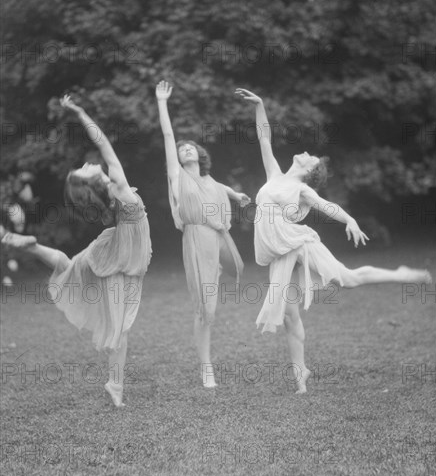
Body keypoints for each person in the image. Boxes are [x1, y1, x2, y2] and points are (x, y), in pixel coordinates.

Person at [236, 88, 432, 394]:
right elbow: (264, 138)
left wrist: (350, 220)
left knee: (347, 279)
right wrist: (260, 104)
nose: (305, 153)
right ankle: (301, 372)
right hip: (278, 252)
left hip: (299, 243)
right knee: (288, 313)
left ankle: (402, 274)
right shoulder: (274, 174)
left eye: (311, 158)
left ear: (310, 171)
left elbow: (329, 208)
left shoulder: (302, 190)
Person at [2, 95, 152, 407]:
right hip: (118, 259)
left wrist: (81, 112)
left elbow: (103, 146)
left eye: (83, 167)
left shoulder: (114, 192)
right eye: (85, 169)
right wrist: (82, 113)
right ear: (95, 182)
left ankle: (32, 245)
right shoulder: (119, 187)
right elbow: (104, 144)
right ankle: (115, 387)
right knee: (118, 328)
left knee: (71, 268)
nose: (88, 164)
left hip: (115, 252)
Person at [156, 80, 250, 388]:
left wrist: (235, 195)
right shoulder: (177, 177)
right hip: (195, 240)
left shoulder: (210, 179)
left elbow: (218, 188)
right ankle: (206, 366)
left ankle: (206, 362)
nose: (185, 149)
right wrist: (162, 103)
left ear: (199, 153)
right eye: (181, 149)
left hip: (217, 239)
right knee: (204, 307)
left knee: (213, 307)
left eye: (189, 147)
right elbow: (168, 136)